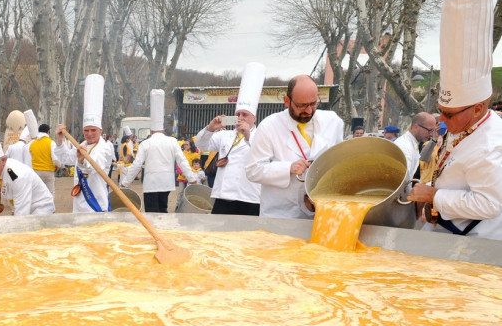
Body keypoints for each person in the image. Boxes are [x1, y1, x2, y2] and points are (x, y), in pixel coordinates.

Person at [407, 0, 502, 239]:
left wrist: (435, 195)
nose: (441, 120)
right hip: (442, 227)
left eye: (449, 114)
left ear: (478, 108)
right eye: (440, 111)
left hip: (472, 240)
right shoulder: (466, 123)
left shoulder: (491, 145)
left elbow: (490, 204)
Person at [245, 74, 344, 218]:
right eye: (301, 105)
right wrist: (288, 168)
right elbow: (253, 170)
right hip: (281, 214)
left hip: (320, 213)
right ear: (287, 101)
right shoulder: (269, 126)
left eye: (313, 104)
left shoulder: (333, 122)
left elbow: (339, 164)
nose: (309, 110)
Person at [195, 62, 265, 216]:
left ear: (254, 117)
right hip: (223, 197)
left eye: (245, 114)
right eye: (238, 114)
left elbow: (263, 154)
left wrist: (248, 134)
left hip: (249, 197)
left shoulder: (262, 134)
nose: (240, 118)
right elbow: (200, 143)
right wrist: (210, 128)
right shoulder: (225, 135)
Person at [0, 102, 55, 216]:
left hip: (41, 210)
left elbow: (22, 213)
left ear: (3, 160)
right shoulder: (3, 173)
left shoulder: (17, 176)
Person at [120, 89, 199, 212]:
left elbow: (137, 165)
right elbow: (182, 161)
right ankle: (162, 229)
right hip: (167, 183)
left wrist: (125, 182)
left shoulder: (146, 143)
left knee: (152, 213)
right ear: (163, 129)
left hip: (151, 183)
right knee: (163, 209)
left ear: (151, 130)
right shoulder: (172, 141)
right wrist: (192, 178)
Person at [59, 74, 116, 213]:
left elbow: (95, 167)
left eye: (93, 130)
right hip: (79, 204)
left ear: (100, 130)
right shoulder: (82, 144)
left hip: (95, 203)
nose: (89, 134)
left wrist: (83, 161)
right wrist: (60, 141)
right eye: (86, 130)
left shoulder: (105, 148)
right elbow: (65, 159)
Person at [28, 121, 70, 194]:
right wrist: (58, 165)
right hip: (48, 171)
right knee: (50, 193)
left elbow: (30, 158)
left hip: (36, 171)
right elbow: (55, 158)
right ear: (48, 132)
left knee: (38, 193)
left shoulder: (32, 144)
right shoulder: (51, 142)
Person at [397, 112, 436, 179]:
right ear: (416, 126)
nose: (431, 135)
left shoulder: (412, 143)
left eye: (433, 131)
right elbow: (404, 180)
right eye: (429, 130)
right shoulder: (405, 147)